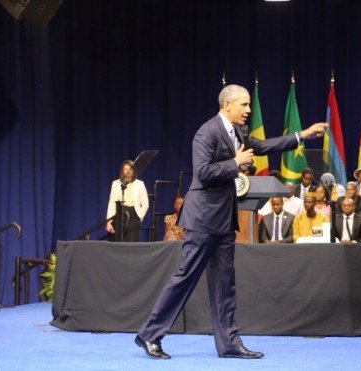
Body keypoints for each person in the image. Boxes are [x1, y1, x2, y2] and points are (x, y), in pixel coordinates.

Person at [135, 84, 326, 360]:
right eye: (244, 105)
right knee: (185, 277)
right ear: (227, 105)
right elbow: (202, 172)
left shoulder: (239, 132)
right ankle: (150, 335)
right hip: (202, 219)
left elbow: (263, 146)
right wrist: (235, 162)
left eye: (249, 105)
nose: (248, 110)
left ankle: (229, 344)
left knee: (226, 283)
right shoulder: (207, 132)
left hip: (224, 220)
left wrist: (302, 135)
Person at [106, 159, 149, 242]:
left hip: (133, 215)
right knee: (118, 244)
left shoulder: (139, 184)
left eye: (130, 169)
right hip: (119, 215)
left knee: (131, 244)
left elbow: (145, 203)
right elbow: (111, 204)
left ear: (134, 171)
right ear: (122, 170)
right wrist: (109, 222)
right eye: (126, 169)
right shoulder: (116, 184)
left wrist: (140, 216)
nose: (128, 171)